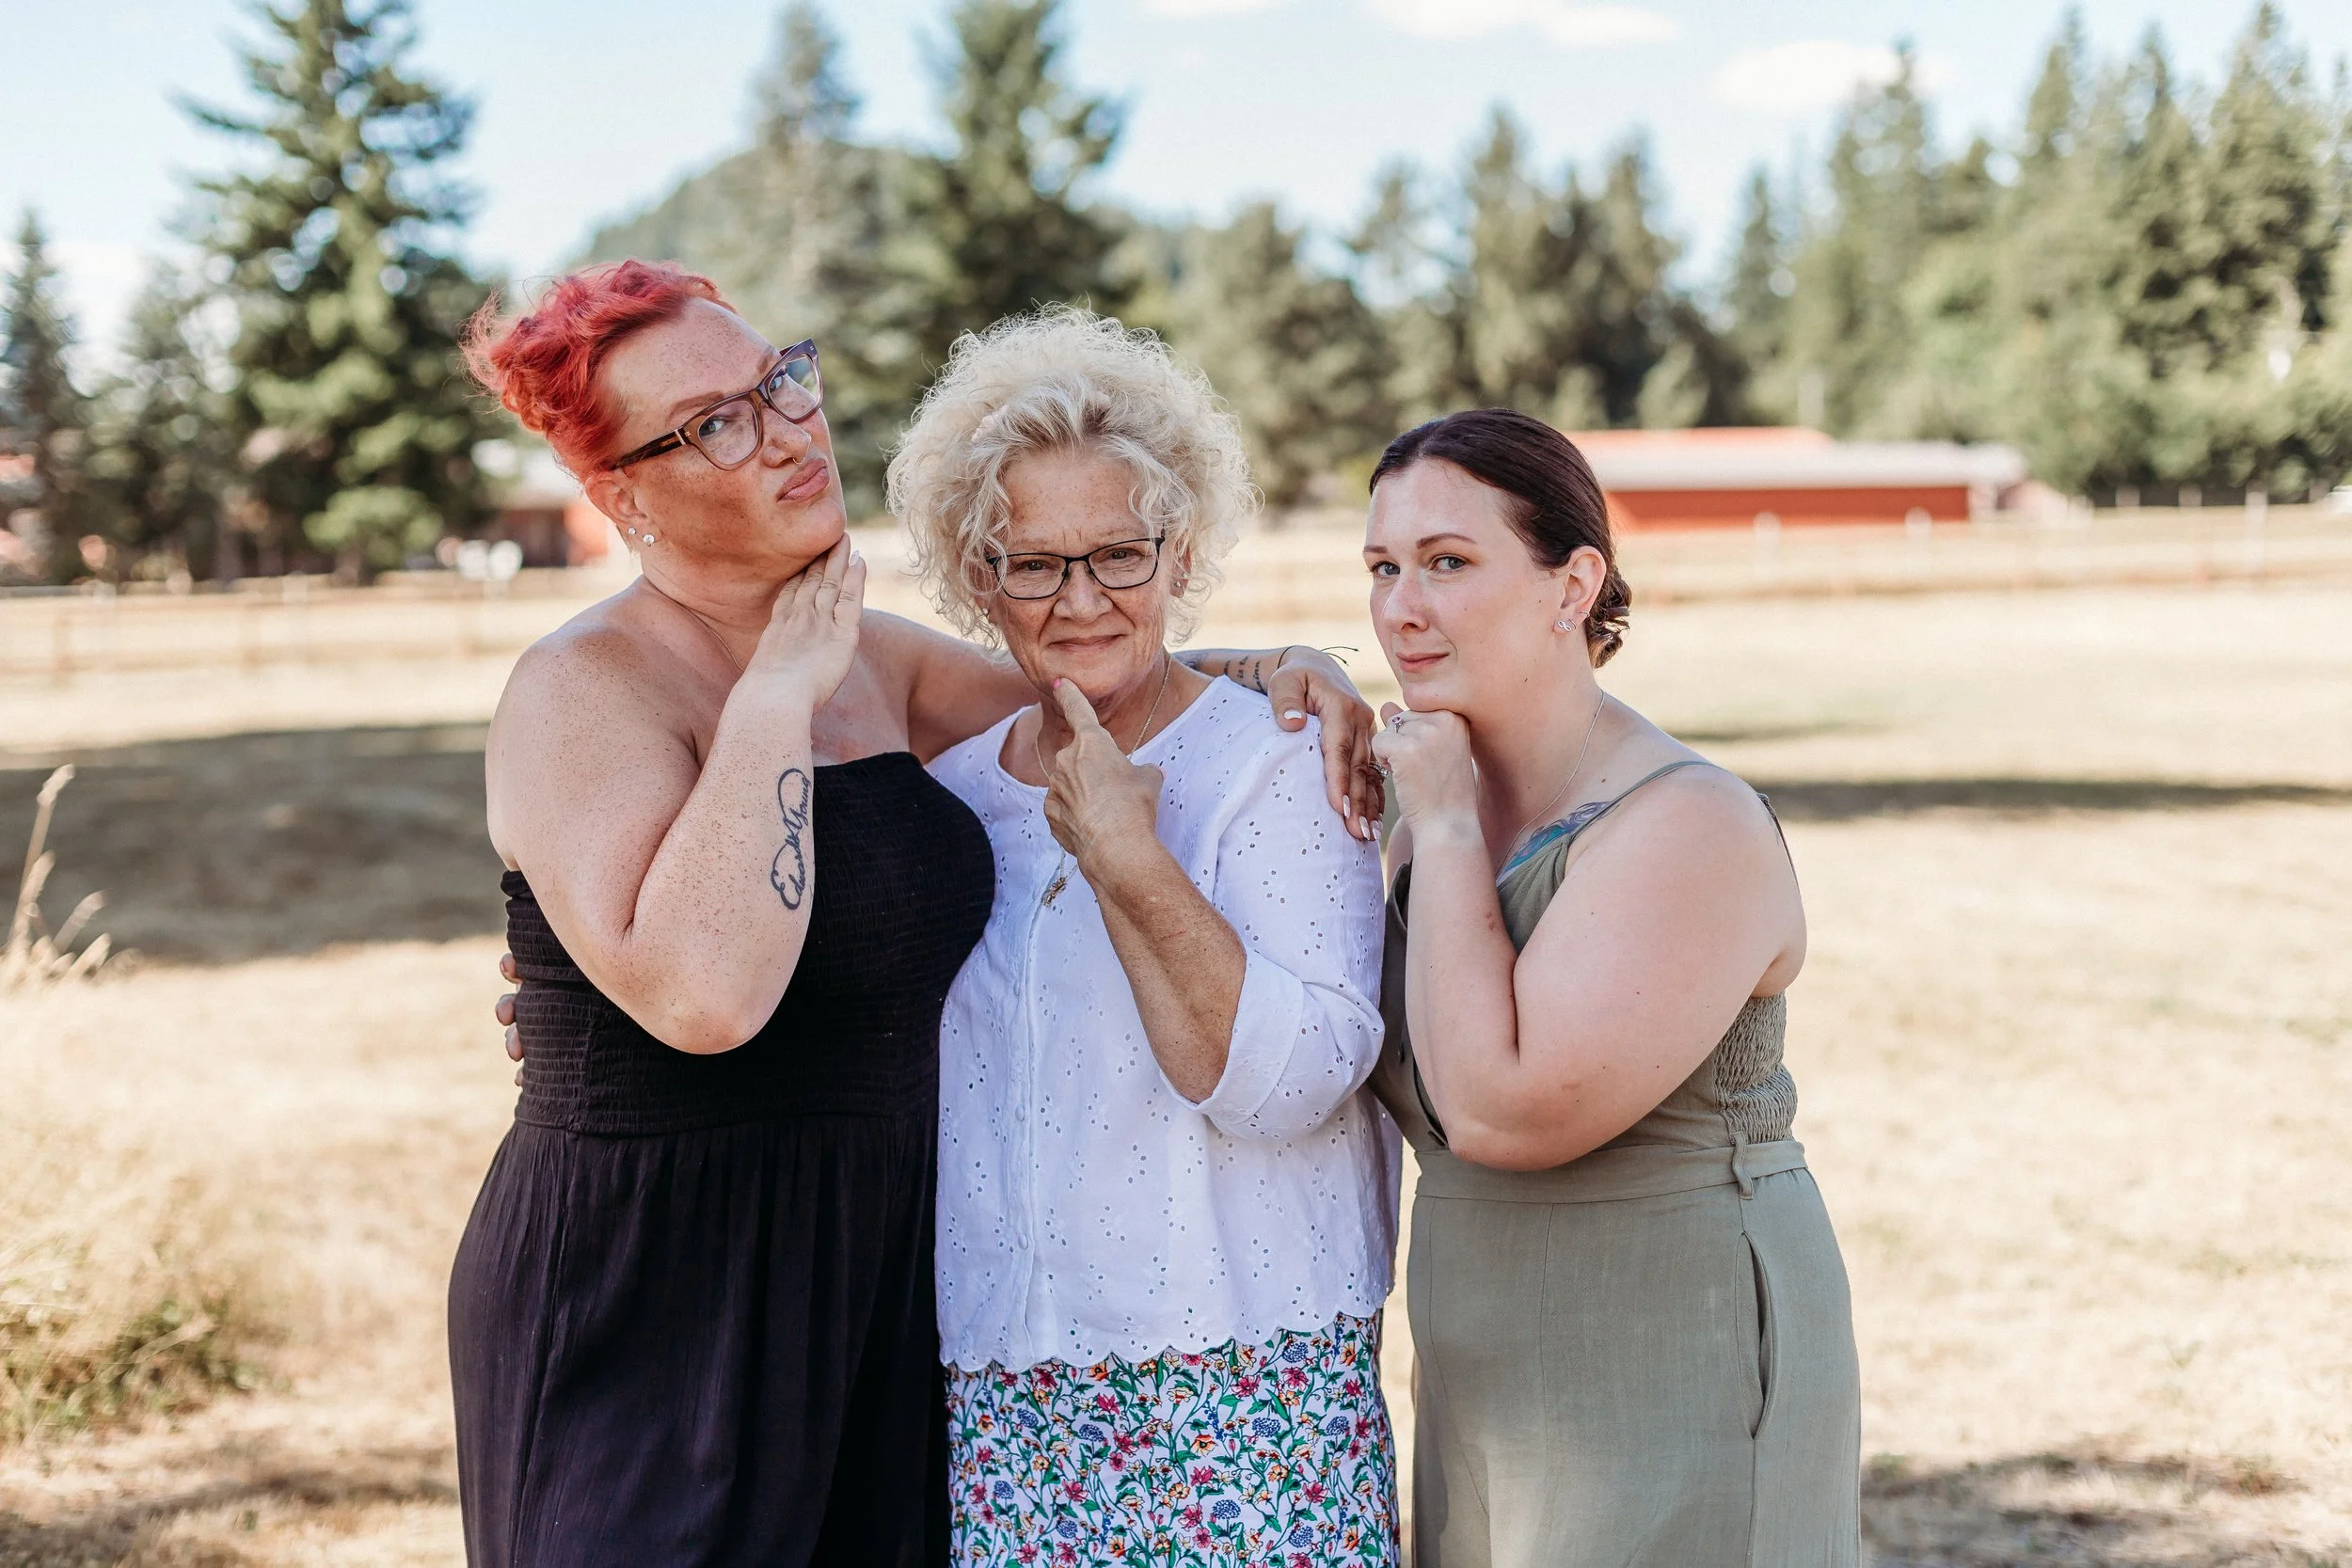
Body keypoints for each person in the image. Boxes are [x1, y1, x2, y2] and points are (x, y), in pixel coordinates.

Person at [451, 261, 1378, 1568]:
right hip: (664, 1283)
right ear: (619, 496)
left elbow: (1087, 656)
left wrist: (1294, 664)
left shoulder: (876, 655)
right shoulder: (582, 688)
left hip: (888, 1282)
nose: (787, 433)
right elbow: (708, 997)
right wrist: (774, 694)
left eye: (781, 380)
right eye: (717, 422)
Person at [891, 309, 1402, 1565]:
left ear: (1182, 552)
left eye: (1119, 553)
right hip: (1008, 1387)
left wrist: (1131, 860)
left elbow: (1289, 1083)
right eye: (1032, 562)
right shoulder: (955, 797)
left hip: (1244, 1380)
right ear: (974, 576)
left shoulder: (1276, 765)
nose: (1081, 600)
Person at [1363, 409, 1862, 1567]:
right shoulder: (1419, 791)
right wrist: (1276, 671)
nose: (1402, 606)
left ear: (1571, 581)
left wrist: (1437, 824)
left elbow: (1497, 1109)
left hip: (1673, 1339)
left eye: (1448, 562)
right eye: (1383, 567)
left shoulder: (1688, 821)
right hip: (1488, 1372)